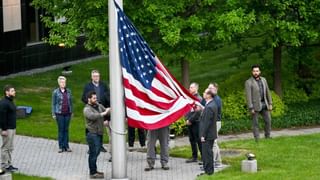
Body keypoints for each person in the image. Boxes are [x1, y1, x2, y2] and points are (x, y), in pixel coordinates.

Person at [82, 70, 111, 155]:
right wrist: (90, 104)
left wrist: (105, 112)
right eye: (94, 76)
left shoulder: (103, 85)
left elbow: (107, 97)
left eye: (97, 76)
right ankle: (91, 147)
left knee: (100, 127)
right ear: (92, 77)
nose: (96, 78)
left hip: (101, 107)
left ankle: (100, 145)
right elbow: (83, 97)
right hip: (92, 108)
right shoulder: (88, 86)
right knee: (91, 127)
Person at [84, 91, 110, 179]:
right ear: (89, 99)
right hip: (92, 134)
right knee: (93, 153)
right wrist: (103, 113)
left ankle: (94, 170)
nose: (96, 99)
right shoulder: (87, 109)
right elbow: (93, 116)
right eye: (94, 98)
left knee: (97, 151)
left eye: (96, 98)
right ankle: (93, 173)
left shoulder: (98, 105)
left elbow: (106, 110)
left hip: (99, 133)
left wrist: (109, 110)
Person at [245, 64, 272, 142]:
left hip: (264, 104)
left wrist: (270, 103)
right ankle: (257, 138)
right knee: (255, 123)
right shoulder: (248, 82)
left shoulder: (264, 80)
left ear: (259, 71)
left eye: (257, 71)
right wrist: (251, 107)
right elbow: (248, 96)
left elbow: (268, 92)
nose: (255, 72)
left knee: (268, 121)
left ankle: (267, 136)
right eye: (254, 71)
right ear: (252, 72)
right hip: (255, 106)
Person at [199, 88, 218, 176]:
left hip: (207, 135)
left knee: (207, 154)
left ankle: (209, 172)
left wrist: (203, 135)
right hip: (210, 134)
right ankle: (208, 171)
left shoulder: (210, 106)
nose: (203, 93)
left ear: (209, 95)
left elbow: (207, 122)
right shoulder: (211, 104)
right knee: (208, 153)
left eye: (205, 92)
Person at [52, 76, 73, 153]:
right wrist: (53, 113)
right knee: (61, 130)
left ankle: (66, 146)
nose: (63, 83)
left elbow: (71, 103)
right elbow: (53, 104)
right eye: (61, 82)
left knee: (66, 129)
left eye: (64, 82)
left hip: (67, 113)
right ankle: (61, 146)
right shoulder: (55, 92)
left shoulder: (69, 91)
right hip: (59, 113)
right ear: (59, 83)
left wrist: (72, 112)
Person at [0, 85, 18, 172]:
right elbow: (2, 117)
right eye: (12, 91)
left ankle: (9, 164)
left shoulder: (11, 101)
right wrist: (4, 129)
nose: (14, 92)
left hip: (12, 128)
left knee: (10, 147)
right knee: (5, 147)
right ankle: (4, 165)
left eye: (14, 91)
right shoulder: (4, 103)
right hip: (7, 129)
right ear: (7, 92)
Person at [185, 82, 203, 163]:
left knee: (198, 140)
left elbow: (198, 112)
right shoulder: (190, 98)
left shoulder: (198, 98)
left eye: (191, 87)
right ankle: (194, 156)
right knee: (192, 140)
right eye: (190, 87)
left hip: (196, 122)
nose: (190, 89)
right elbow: (187, 109)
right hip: (189, 122)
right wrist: (186, 118)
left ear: (196, 88)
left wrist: (190, 120)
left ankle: (203, 157)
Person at [208, 82, 222, 167]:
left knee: (213, 142)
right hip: (213, 122)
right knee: (214, 143)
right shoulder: (213, 99)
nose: (209, 90)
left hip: (215, 122)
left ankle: (212, 162)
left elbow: (213, 113)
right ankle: (218, 162)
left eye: (210, 88)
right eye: (208, 88)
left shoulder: (216, 100)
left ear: (215, 89)